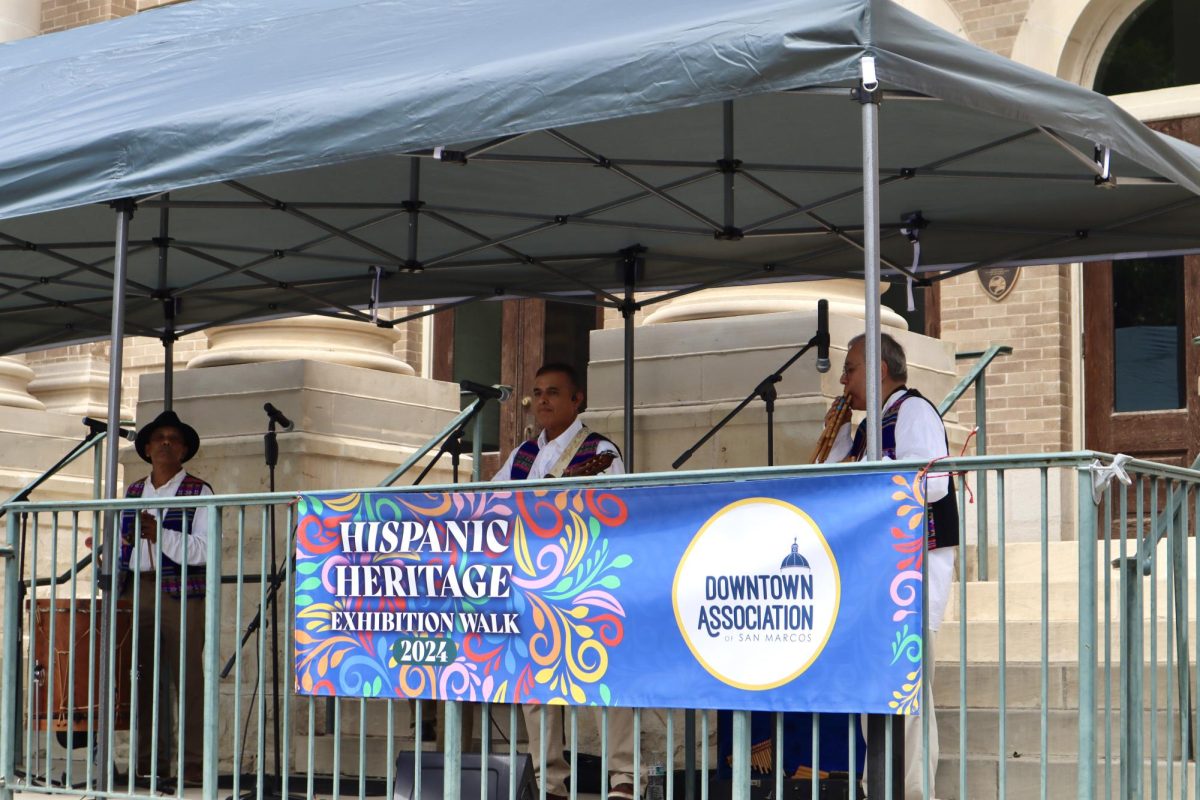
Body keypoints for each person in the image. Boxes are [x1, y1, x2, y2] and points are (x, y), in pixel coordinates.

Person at [820, 333, 959, 800]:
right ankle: (876, 786)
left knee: (909, 688)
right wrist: (840, 443)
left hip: (912, 574)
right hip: (877, 573)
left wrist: (876, 474)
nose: (843, 380)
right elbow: (838, 490)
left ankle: (912, 792)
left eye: (850, 368)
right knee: (874, 683)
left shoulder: (914, 412)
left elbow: (933, 481)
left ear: (879, 369)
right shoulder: (866, 427)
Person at [492, 363, 638, 800]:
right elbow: (491, 503)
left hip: (586, 576)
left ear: (578, 400)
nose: (543, 400)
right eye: (537, 392)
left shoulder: (600, 451)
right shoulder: (522, 456)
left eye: (554, 392)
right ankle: (549, 780)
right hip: (531, 580)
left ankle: (623, 777)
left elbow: (617, 512)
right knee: (535, 684)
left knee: (601, 675)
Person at [119, 410, 214, 787]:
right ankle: (147, 762)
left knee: (188, 677)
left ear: (185, 449)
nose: (165, 443)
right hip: (136, 589)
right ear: (145, 448)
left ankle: (192, 763)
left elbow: (205, 551)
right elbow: (120, 543)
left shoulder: (199, 491)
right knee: (141, 677)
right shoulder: (132, 492)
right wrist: (110, 553)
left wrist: (160, 535)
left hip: (181, 593)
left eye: (174, 439)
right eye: (159, 438)